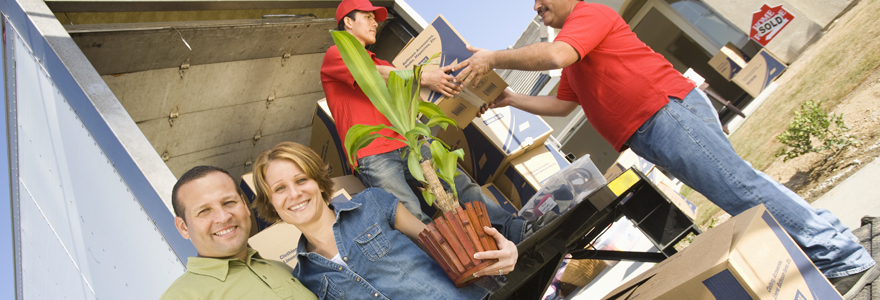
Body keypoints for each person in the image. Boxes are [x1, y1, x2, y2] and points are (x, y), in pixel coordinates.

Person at [453, 0, 879, 298]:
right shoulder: (573, 48)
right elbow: (564, 104)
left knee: (739, 189)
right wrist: (511, 100)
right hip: (651, 127)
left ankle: (842, 259)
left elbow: (557, 54)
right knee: (740, 186)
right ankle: (835, 244)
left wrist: (494, 58)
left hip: (663, 113)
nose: (535, 7)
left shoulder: (586, 18)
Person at [321, 0, 536, 244]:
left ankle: (515, 230)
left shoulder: (385, 64)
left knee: (462, 185)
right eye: (368, 17)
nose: (375, 22)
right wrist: (423, 76)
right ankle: (453, 269)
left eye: (375, 17)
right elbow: (366, 72)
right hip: (374, 154)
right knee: (412, 216)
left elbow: (420, 99)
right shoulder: (338, 52)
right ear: (348, 22)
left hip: (409, 142)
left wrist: (473, 101)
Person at [250, 141, 518, 299]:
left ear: (319, 183)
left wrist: (504, 255)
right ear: (271, 201)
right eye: (279, 189)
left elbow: (448, 246)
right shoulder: (304, 278)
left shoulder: (371, 203)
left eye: (301, 180)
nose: (294, 194)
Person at [160, 165, 317, 300]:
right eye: (204, 211)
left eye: (229, 202)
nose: (223, 217)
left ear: (244, 205)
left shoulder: (280, 268)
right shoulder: (182, 296)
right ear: (183, 227)